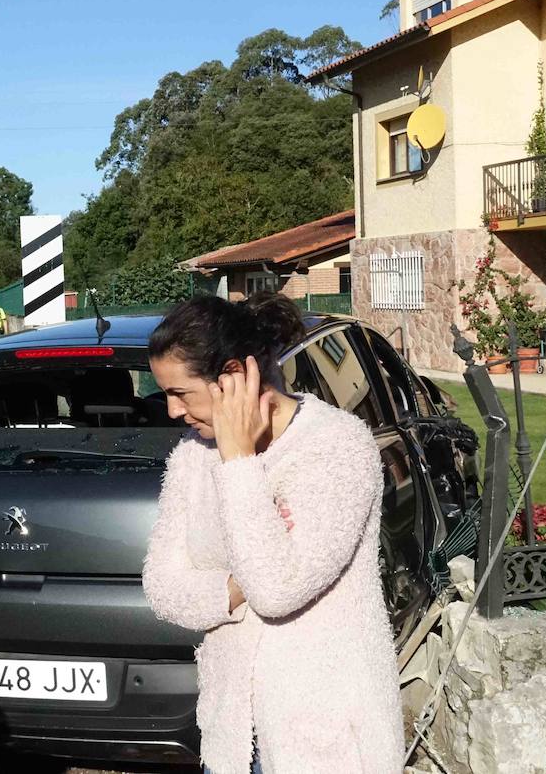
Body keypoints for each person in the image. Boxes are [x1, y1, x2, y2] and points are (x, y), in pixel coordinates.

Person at [141, 292, 404, 774]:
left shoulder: (335, 448)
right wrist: (238, 583)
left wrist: (239, 461)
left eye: (180, 393)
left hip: (323, 740)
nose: (173, 412)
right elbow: (161, 587)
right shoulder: (192, 458)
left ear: (235, 378)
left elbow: (279, 591)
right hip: (234, 735)